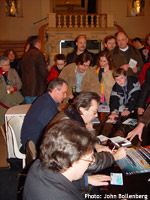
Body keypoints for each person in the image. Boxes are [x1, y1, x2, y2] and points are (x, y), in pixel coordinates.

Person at [23, 119, 99, 200]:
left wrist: (85, 180)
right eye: (90, 158)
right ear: (73, 161)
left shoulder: (38, 165)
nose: (92, 161)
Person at [21, 78, 68, 151]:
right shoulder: (46, 107)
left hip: (32, 139)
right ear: (55, 90)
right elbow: (56, 129)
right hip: (32, 145)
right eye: (64, 93)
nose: (65, 96)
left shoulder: (46, 99)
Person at [21, 35, 49, 104]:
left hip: (26, 90)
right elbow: (43, 73)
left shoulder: (25, 55)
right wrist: (48, 70)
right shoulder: (38, 54)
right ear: (37, 43)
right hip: (37, 90)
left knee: (29, 112)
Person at [0, 56, 24, 126]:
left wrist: (14, 88)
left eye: (8, 64)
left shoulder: (13, 71)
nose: (8, 66)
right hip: (3, 102)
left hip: (13, 100)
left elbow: (19, 84)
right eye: (6, 65)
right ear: (0, 65)